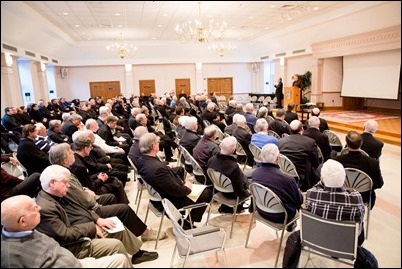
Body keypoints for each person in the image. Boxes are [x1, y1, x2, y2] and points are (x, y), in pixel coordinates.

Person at [35, 165, 159, 264]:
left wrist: (98, 219)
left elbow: (82, 208)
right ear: (52, 183)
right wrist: (92, 228)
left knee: (115, 225)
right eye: (65, 182)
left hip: (81, 226)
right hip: (75, 243)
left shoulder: (58, 193)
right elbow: (65, 235)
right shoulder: (45, 207)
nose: (68, 185)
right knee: (115, 245)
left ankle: (137, 254)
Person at [1, 195, 133, 268]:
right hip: (74, 258)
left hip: (74, 261)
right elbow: (64, 235)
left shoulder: (27, 229)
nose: (39, 208)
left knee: (120, 258)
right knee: (119, 258)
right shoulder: (10, 257)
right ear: (23, 221)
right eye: (34, 208)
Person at [282, 159, 366, 268]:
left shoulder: (312, 194)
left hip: (315, 239)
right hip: (346, 245)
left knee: (292, 238)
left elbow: (316, 188)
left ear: (321, 179)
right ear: (345, 178)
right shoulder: (356, 198)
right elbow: (359, 227)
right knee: (360, 223)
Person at [137, 133, 212, 229]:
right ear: (153, 146)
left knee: (179, 171)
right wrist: (187, 188)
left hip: (159, 193)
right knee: (207, 193)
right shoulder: (157, 169)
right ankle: (188, 222)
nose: (159, 143)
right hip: (169, 201)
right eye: (157, 142)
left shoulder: (141, 160)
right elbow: (176, 191)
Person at [251, 144, 303, 231]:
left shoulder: (255, 173)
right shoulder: (288, 179)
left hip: (261, 210)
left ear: (260, 157)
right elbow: (299, 201)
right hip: (281, 217)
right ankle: (291, 224)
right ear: (278, 158)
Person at [333, 131, 384, 209]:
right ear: (361, 143)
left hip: (340, 193)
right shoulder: (373, 163)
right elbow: (379, 184)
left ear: (347, 143)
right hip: (362, 196)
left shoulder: (336, 160)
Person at [207, 136, 251, 213]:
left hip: (218, 189)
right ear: (234, 150)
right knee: (252, 182)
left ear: (220, 146)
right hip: (232, 194)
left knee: (246, 176)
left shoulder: (211, 160)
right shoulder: (233, 167)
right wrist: (248, 193)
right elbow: (239, 192)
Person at [278, 120, 320, 191]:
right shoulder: (310, 142)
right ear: (302, 129)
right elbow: (316, 162)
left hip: (284, 171)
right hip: (302, 175)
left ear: (290, 130)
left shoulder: (281, 141)